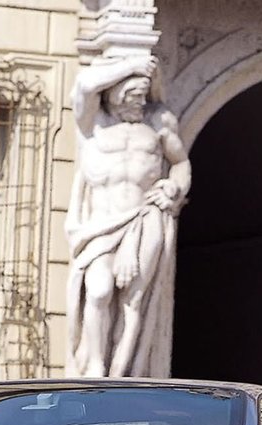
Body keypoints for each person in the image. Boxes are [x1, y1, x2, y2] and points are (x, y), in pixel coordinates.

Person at [66, 54, 191, 378]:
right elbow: (84, 86)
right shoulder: (93, 124)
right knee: (98, 289)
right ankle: (94, 366)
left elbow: (180, 162)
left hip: (143, 218)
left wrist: (172, 189)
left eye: (144, 95)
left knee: (133, 300)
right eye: (133, 95)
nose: (140, 102)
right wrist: (134, 66)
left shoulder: (158, 123)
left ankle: (124, 372)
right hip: (101, 226)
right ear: (117, 93)